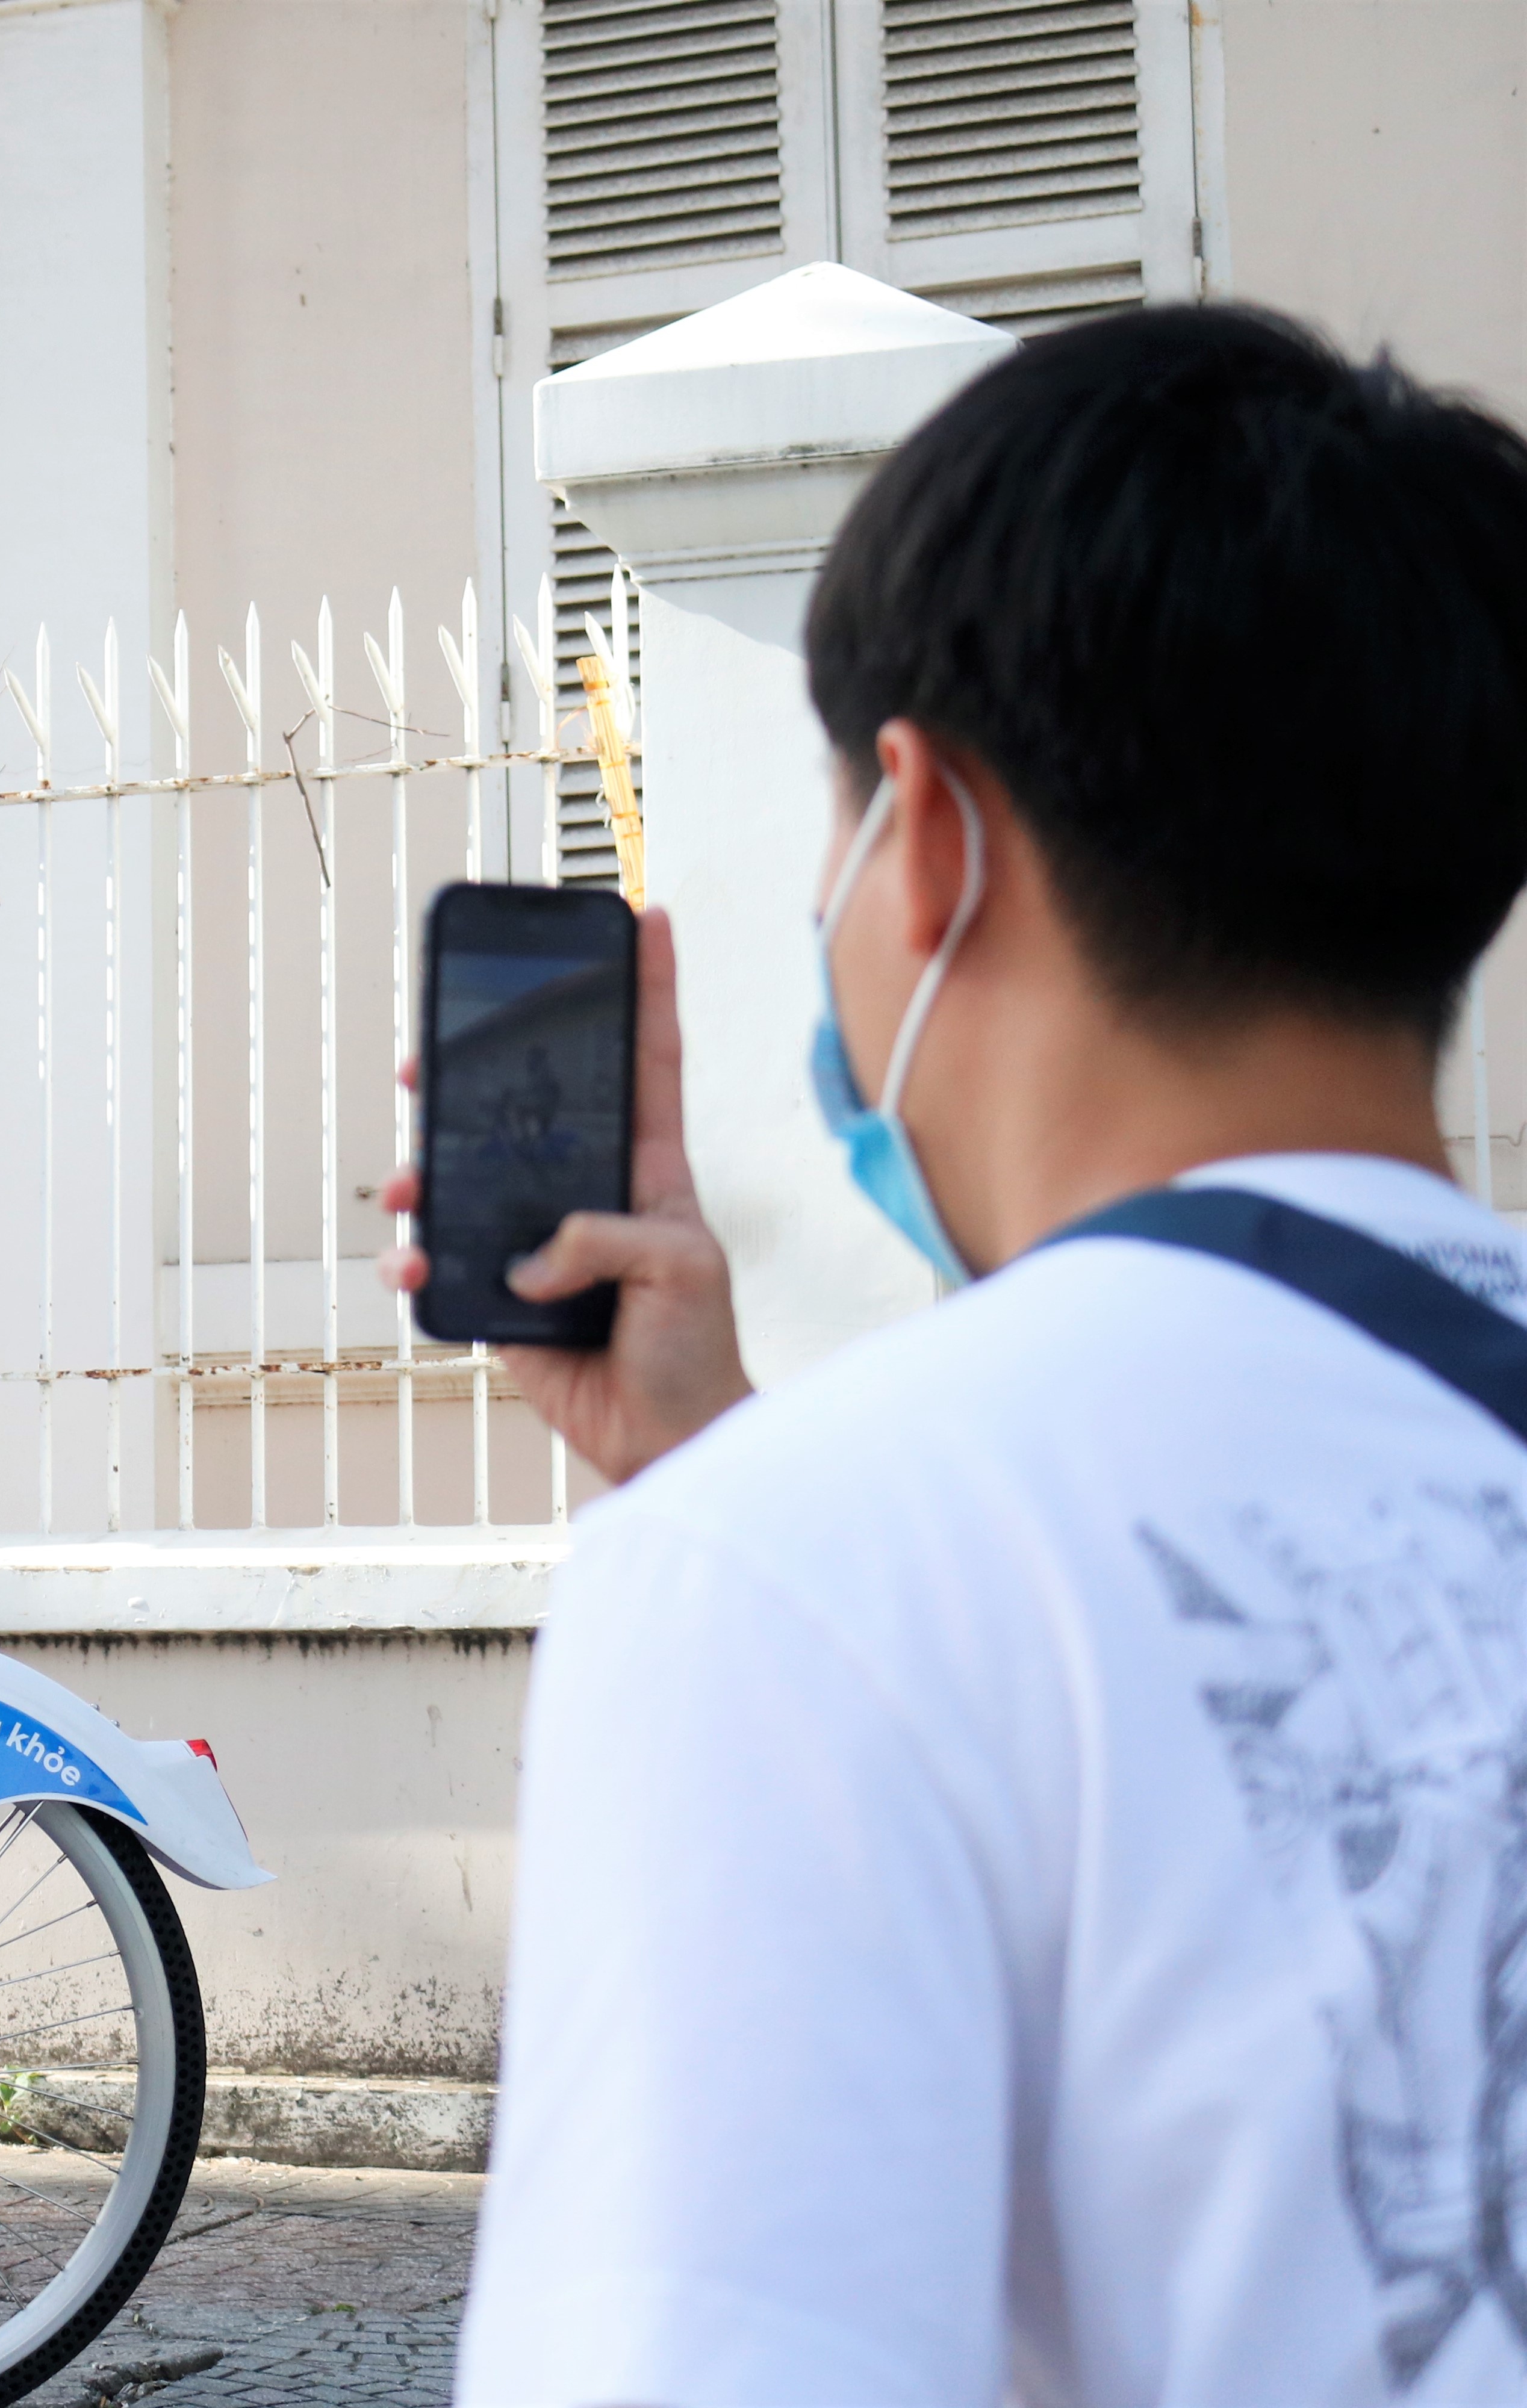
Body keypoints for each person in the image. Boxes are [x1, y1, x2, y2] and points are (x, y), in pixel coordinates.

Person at [418, 306, 1527, 2404]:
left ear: (924, 833)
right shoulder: (807, 1552)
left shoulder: (803, 1582)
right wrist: (728, 1467)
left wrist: (756, 1532)